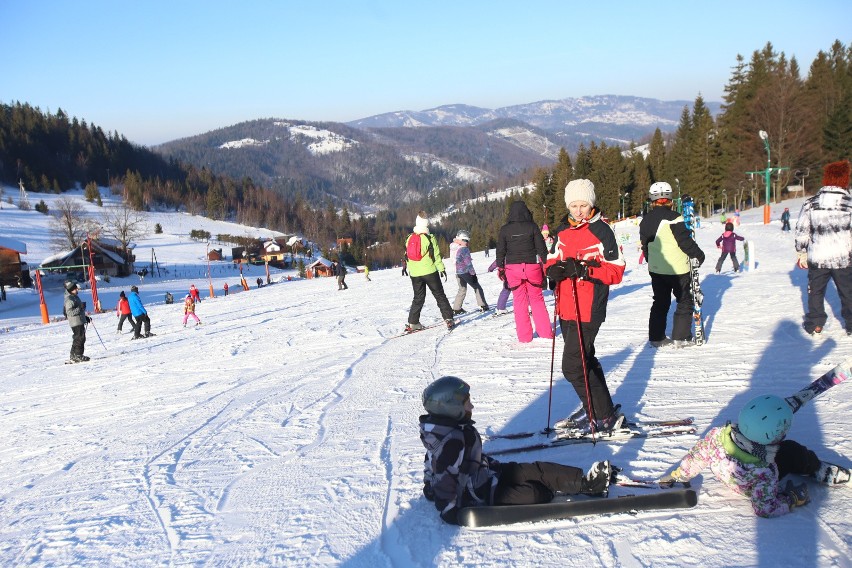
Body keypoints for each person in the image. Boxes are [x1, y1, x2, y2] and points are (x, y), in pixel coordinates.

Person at [419, 376, 613, 525]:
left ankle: (587, 483)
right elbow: (443, 474)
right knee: (536, 494)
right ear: (451, 409)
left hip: (487, 473)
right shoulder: (450, 441)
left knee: (536, 470)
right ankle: (550, 490)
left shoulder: (454, 429)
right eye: (466, 403)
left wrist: (428, 485)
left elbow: (435, 463)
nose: (472, 406)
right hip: (479, 492)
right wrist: (448, 509)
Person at [661, 394, 849, 517]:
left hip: (728, 475)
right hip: (749, 486)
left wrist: (678, 475)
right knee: (791, 451)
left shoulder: (717, 436)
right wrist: (791, 498)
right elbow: (764, 508)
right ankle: (815, 467)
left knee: (784, 449)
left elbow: (696, 458)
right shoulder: (765, 472)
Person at [544, 179, 626, 433]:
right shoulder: (561, 231)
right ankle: (600, 409)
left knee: (572, 366)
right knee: (585, 360)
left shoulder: (602, 231)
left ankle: (601, 414)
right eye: (574, 205)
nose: (578, 211)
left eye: (583, 205)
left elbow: (616, 271)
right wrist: (554, 272)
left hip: (589, 308)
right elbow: (550, 261)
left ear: (591, 204)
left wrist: (583, 269)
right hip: (566, 307)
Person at [639, 181, 705, 348]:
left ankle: (656, 337)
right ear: (669, 200)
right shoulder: (675, 218)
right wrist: (699, 255)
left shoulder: (645, 220)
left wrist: (651, 262)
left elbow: (645, 245)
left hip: (656, 270)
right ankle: (681, 337)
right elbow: (685, 242)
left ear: (652, 201)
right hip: (677, 269)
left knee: (660, 302)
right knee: (684, 300)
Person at [795, 160, 852, 337]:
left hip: (818, 256)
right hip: (843, 257)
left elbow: (802, 230)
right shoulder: (849, 203)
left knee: (816, 292)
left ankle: (816, 324)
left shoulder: (811, 203)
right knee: (848, 292)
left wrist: (801, 251)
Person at [496, 201, 554, 343]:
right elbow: (541, 249)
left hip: (513, 269)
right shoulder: (532, 227)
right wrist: (547, 265)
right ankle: (546, 332)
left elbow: (500, 251)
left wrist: (500, 268)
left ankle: (524, 337)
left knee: (519, 301)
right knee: (537, 299)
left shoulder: (505, 229)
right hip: (532, 267)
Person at [405, 212, 455, 331]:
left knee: (418, 297)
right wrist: (441, 269)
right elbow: (436, 256)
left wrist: (411, 270)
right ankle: (448, 319)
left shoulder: (409, 238)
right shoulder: (430, 238)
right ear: (426, 224)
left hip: (415, 274)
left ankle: (413, 322)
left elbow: (407, 256)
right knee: (439, 295)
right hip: (429, 271)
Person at [450, 230, 488, 314]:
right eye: (466, 240)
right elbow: (468, 263)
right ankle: (483, 305)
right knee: (477, 287)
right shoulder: (464, 249)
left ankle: (456, 308)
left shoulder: (453, 247)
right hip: (465, 272)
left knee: (462, 289)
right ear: (462, 240)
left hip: (457, 272)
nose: (467, 243)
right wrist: (473, 274)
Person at [63, 281, 91, 362]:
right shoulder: (69, 299)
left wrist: (85, 317)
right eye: (75, 289)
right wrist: (80, 308)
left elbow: (78, 310)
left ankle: (73, 355)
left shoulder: (74, 297)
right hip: (75, 322)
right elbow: (69, 313)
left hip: (79, 320)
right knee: (80, 338)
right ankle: (78, 355)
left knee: (77, 338)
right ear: (71, 290)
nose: (77, 290)